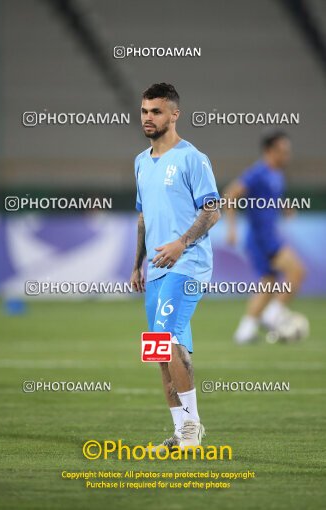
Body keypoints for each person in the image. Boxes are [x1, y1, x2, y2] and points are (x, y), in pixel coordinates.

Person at [130, 83, 220, 450]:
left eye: (156, 111)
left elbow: (212, 210)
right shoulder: (140, 161)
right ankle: (180, 431)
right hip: (155, 270)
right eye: (144, 111)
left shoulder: (192, 158)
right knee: (160, 348)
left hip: (189, 264)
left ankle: (192, 429)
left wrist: (182, 244)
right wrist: (137, 264)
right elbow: (142, 218)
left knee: (165, 340)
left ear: (174, 114)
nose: (148, 118)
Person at [224, 130, 306, 344]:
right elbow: (231, 194)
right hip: (262, 238)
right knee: (297, 271)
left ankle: (245, 331)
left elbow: (267, 200)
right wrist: (231, 228)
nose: (287, 155)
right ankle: (272, 315)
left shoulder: (276, 174)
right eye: (283, 151)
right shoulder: (257, 173)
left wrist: (284, 207)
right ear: (269, 151)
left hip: (268, 235)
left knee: (268, 283)